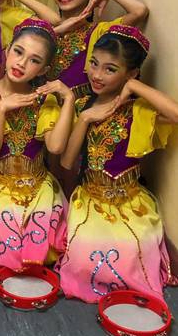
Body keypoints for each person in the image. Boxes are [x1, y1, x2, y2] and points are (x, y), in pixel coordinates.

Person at [57, 25, 178, 303]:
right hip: (90, 199)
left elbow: (175, 114)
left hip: (130, 202)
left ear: (130, 73)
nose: (97, 75)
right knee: (85, 256)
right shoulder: (81, 105)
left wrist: (133, 88)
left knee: (132, 250)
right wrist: (85, 119)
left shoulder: (138, 109)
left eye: (110, 69)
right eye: (94, 64)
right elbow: (66, 161)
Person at [0, 19, 73, 270]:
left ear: (44, 69)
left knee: (44, 240)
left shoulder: (44, 99)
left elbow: (56, 147)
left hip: (38, 185)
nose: (22, 63)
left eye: (34, 60)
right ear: (7, 51)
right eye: (18, 52)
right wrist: (1, 110)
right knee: (4, 239)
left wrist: (68, 98)